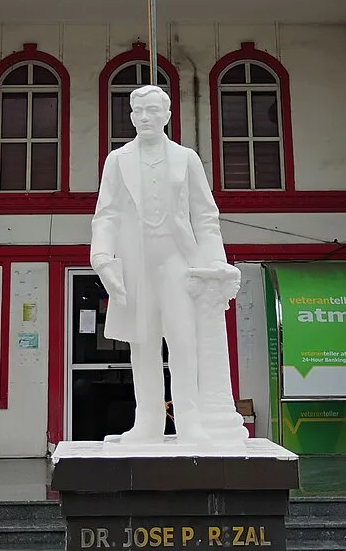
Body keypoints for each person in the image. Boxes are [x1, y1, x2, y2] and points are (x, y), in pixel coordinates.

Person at [90, 83, 228, 443]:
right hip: (137, 265)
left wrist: (214, 263)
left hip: (177, 261)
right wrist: (102, 257)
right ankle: (147, 422)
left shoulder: (187, 158)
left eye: (153, 111)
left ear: (167, 116)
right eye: (138, 112)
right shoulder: (117, 160)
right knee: (142, 344)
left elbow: (206, 216)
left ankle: (189, 421)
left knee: (183, 342)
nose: (144, 118)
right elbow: (106, 215)